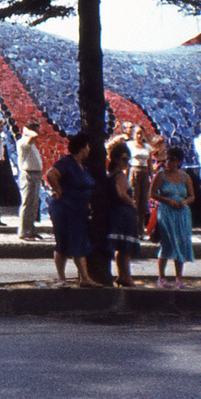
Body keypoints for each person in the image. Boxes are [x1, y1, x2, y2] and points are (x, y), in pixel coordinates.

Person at [44, 132, 101, 287]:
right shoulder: (66, 162)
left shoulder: (82, 166)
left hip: (79, 210)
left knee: (80, 241)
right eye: (88, 146)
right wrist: (58, 190)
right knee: (62, 243)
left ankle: (84, 277)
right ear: (82, 148)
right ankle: (62, 278)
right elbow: (51, 174)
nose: (89, 149)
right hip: (65, 208)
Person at [150, 146, 195, 287]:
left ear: (179, 162)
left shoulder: (185, 177)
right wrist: (168, 200)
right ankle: (161, 277)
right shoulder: (161, 175)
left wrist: (185, 202)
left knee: (181, 243)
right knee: (167, 243)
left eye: (172, 159)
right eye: (167, 159)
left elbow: (192, 196)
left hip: (181, 213)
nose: (168, 162)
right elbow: (152, 194)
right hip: (166, 212)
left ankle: (179, 278)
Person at [105, 139, 140, 286]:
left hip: (115, 211)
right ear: (116, 159)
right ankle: (127, 276)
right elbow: (121, 193)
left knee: (121, 247)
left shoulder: (109, 174)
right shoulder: (120, 175)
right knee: (125, 249)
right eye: (124, 159)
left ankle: (122, 276)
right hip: (123, 213)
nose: (126, 162)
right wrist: (132, 204)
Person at [16, 121, 44, 241]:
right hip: (28, 174)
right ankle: (24, 232)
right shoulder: (23, 142)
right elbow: (34, 135)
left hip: (35, 174)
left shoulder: (31, 144)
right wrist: (26, 130)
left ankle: (31, 230)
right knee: (27, 203)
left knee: (33, 204)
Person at [127, 125, 153, 232]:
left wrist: (152, 176)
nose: (139, 135)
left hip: (145, 171)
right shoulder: (129, 145)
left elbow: (150, 163)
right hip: (134, 170)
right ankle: (132, 226)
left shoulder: (147, 147)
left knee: (143, 201)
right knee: (135, 199)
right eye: (137, 133)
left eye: (141, 133)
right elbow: (126, 161)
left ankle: (140, 227)